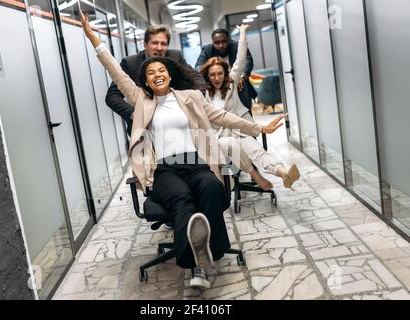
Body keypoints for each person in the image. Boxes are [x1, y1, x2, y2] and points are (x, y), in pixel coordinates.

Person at [81, 13, 285, 289]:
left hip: (198, 163)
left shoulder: (192, 97)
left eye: (161, 71)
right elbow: (116, 75)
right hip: (165, 169)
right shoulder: (141, 100)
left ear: (169, 74)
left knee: (212, 189)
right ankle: (196, 266)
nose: (157, 75)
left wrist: (259, 129)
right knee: (182, 200)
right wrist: (95, 40)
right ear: (145, 81)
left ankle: (205, 248)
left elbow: (224, 118)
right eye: (151, 73)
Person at [200, 24, 300, 191]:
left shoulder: (231, 83)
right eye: (212, 74)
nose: (217, 78)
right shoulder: (203, 93)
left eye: (220, 73)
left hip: (240, 130)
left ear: (225, 74)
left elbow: (240, 59)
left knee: (256, 150)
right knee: (229, 146)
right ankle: (254, 176)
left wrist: (243, 32)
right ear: (207, 76)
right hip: (219, 136)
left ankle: (283, 173)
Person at [106, 24, 205, 136]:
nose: (159, 48)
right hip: (146, 129)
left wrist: (197, 99)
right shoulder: (130, 63)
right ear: (145, 45)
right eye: (154, 43)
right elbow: (112, 97)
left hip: (177, 121)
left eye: (163, 44)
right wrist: (135, 114)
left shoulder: (175, 56)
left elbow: (196, 78)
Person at [195, 28, 258, 114]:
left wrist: (242, 77)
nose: (221, 45)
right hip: (216, 86)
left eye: (224, 42)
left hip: (238, 82)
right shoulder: (207, 49)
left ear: (229, 40)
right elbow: (198, 67)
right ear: (213, 42)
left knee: (244, 110)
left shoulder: (236, 46)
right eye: (217, 43)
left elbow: (247, 61)